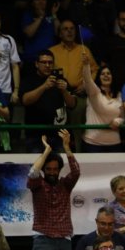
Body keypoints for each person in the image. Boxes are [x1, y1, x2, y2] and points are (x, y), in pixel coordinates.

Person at [27, 129, 80, 250]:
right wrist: (47, 151)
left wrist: (67, 147)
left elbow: (76, 171)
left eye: (55, 169)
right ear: (44, 170)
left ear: (59, 170)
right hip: (43, 238)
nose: (52, 172)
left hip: (64, 239)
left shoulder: (65, 184)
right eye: (48, 169)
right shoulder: (37, 185)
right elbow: (33, 172)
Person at [49, 19, 99, 152]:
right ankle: (58, 152)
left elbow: (94, 69)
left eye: (72, 29)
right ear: (59, 34)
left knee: (79, 113)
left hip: (78, 94)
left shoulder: (83, 50)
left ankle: (78, 152)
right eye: (65, 29)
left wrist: (87, 83)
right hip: (57, 96)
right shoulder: (52, 51)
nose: (69, 31)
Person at [20, 49, 76, 153]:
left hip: (59, 135)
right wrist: (44, 86)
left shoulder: (61, 80)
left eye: (50, 62)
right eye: (44, 62)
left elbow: (72, 105)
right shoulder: (28, 80)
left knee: (61, 166)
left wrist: (64, 92)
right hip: (35, 135)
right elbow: (25, 100)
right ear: (37, 64)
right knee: (37, 167)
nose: (47, 65)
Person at [81, 54, 125, 153]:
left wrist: (118, 121)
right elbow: (87, 80)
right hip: (93, 144)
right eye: (103, 74)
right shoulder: (94, 93)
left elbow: (124, 117)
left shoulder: (119, 95)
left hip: (115, 144)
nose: (106, 75)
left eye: (108, 73)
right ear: (98, 77)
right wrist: (86, 65)